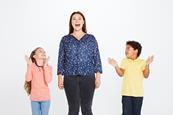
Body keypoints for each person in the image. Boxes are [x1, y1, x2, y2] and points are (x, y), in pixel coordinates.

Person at [57, 11, 102, 115]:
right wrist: (60, 78)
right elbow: (61, 59)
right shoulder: (65, 39)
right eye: (74, 18)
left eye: (79, 18)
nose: (77, 20)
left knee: (87, 109)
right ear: (71, 22)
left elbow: (96, 57)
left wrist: (98, 76)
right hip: (70, 78)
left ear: (83, 22)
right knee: (73, 109)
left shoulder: (91, 38)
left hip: (88, 77)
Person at [108, 41, 154, 115]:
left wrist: (147, 65)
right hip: (126, 94)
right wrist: (116, 66)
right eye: (125, 48)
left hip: (138, 94)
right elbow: (121, 74)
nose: (126, 51)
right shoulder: (125, 61)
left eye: (128, 48)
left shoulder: (142, 62)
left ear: (136, 51)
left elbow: (146, 75)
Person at [25, 47, 52, 115]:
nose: (43, 52)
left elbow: (48, 80)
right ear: (34, 56)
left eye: (44, 51)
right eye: (40, 51)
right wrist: (29, 66)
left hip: (45, 98)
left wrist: (45, 66)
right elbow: (28, 79)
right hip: (34, 98)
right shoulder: (32, 66)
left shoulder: (48, 67)